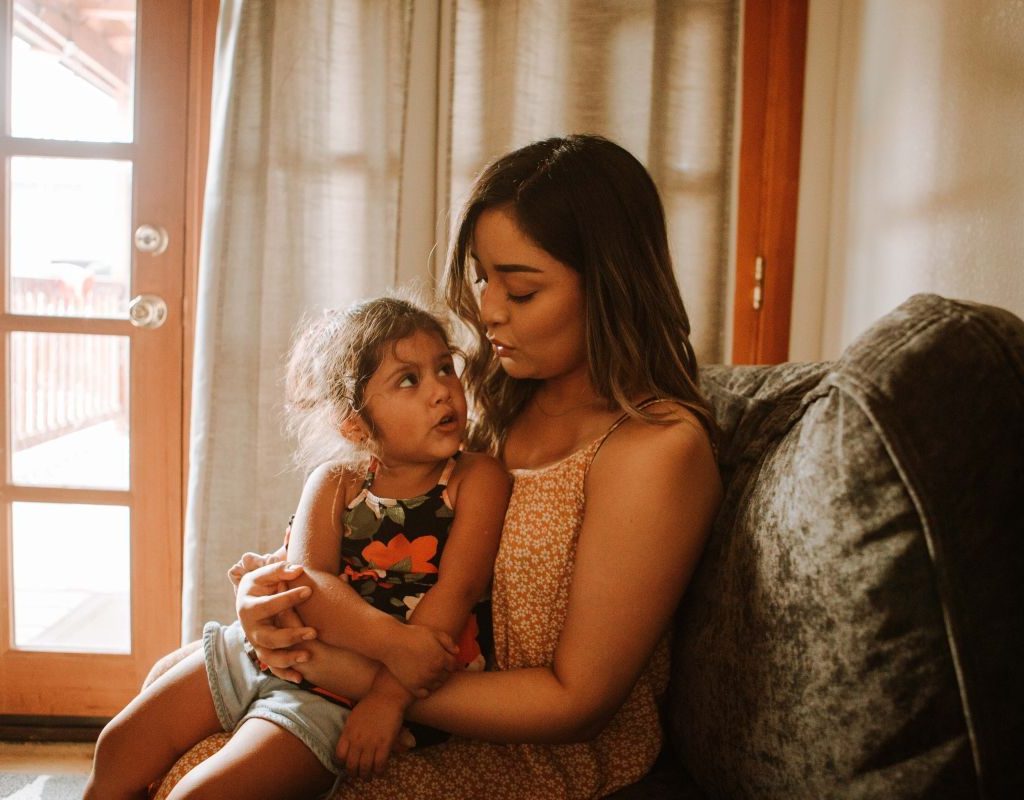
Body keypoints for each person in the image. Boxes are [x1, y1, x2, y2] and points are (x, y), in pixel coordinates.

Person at [158, 133, 723, 799]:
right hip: (410, 704)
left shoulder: (656, 450)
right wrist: (269, 601)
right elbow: (369, 546)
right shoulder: (498, 411)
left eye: (520, 288)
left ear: (608, 285)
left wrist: (360, 677)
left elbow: (576, 704)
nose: (486, 312)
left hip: (531, 755)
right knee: (168, 717)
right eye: (483, 278)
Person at [85, 297, 512, 799]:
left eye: (445, 368)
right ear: (355, 424)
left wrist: (387, 699)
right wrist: (394, 643)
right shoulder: (336, 482)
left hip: (337, 694)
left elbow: (458, 592)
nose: (442, 390)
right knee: (117, 747)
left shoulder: (476, 478)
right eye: (408, 380)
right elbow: (308, 585)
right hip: (262, 652)